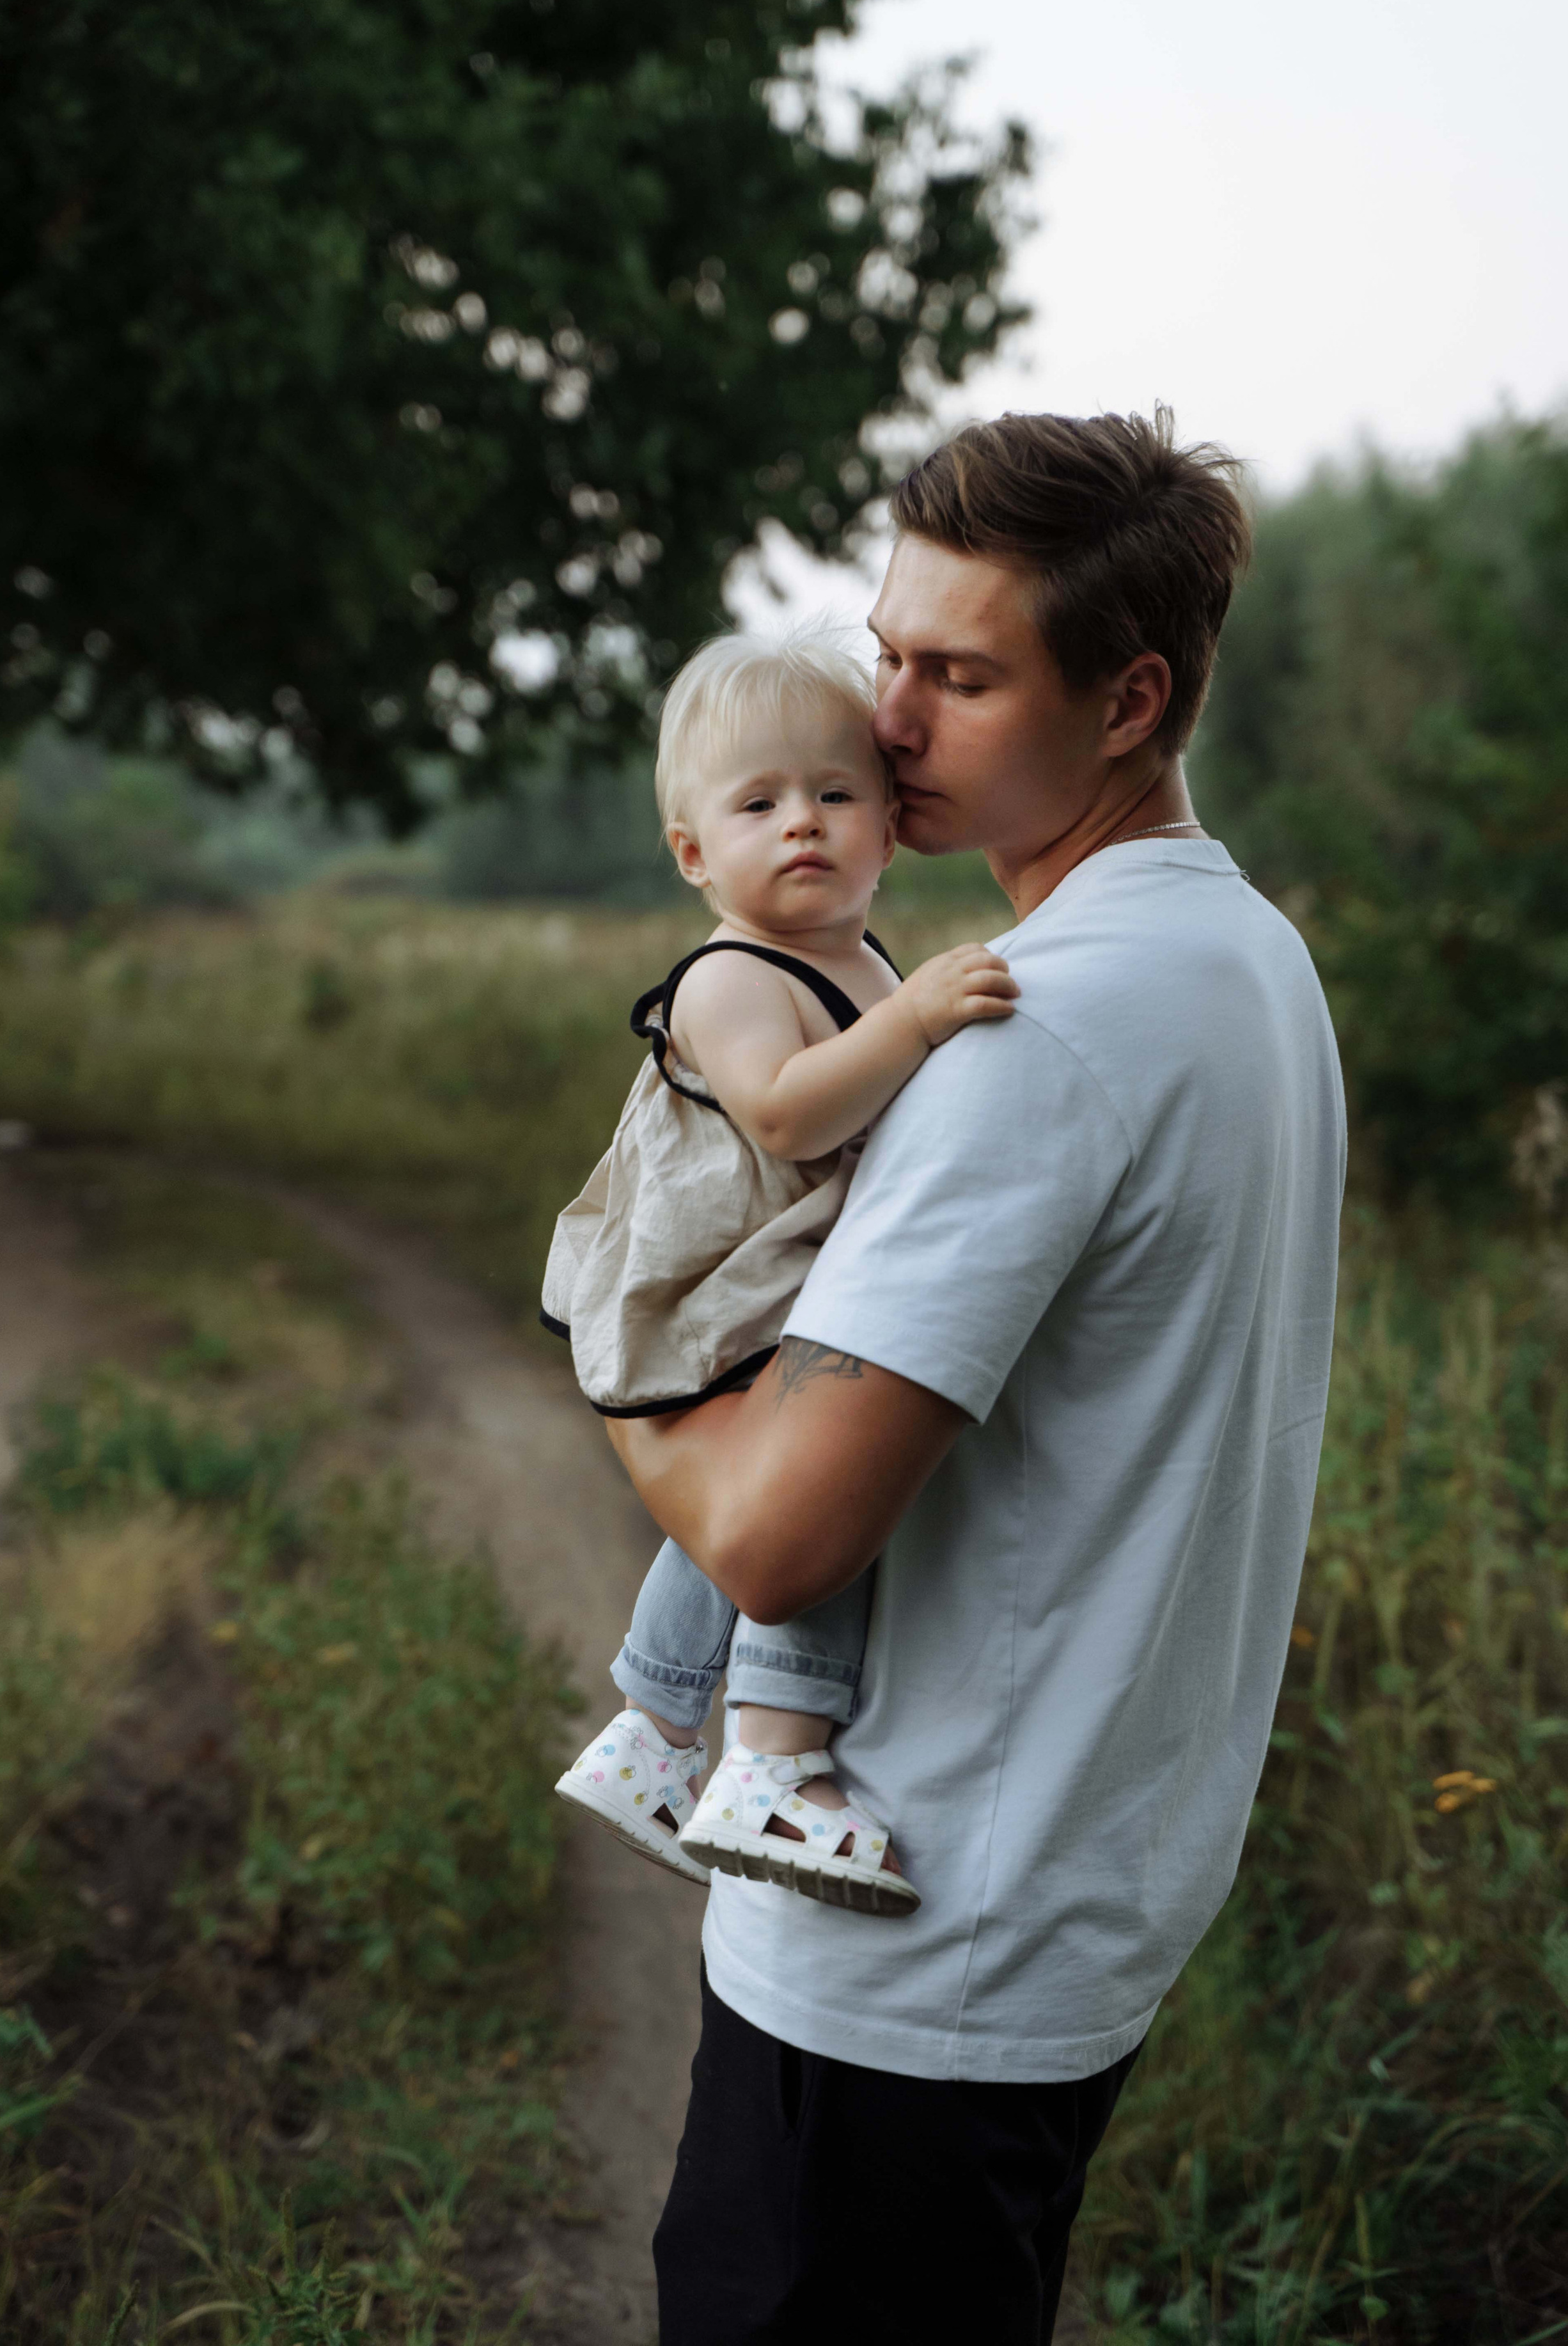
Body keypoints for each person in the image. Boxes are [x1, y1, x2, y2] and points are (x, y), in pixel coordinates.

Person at [602, 409, 1347, 2344]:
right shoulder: (1251, 962)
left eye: (963, 672)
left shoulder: (1027, 1036)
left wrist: (620, 1370)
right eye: (889, 653)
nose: (893, 721)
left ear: (1132, 701)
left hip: (909, 1939)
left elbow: (773, 1538)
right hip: (1078, 1899)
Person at [545, 630, 1017, 1914]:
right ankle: (773, 1752)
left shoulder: (860, 961)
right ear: (696, 854)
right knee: (819, 1498)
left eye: (833, 793)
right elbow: (780, 1116)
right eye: (757, 804)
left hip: (783, 1279)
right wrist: (916, 1021)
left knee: (752, 1509)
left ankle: (649, 1725)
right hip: (718, 1287)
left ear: (888, 823)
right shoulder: (729, 978)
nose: (800, 824)